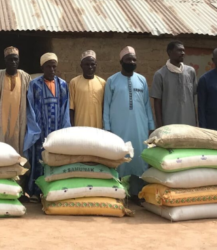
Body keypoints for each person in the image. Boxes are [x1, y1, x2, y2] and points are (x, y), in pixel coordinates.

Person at [103, 46, 155, 188]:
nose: (131, 62)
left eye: (134, 59)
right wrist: (107, 128)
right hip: (118, 128)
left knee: (139, 158)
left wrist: (151, 126)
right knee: (120, 158)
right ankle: (120, 192)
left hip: (140, 127)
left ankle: (137, 192)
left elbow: (146, 105)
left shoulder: (142, 80)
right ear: (121, 61)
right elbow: (106, 106)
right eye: (128, 59)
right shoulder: (112, 81)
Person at [24, 53, 70, 198]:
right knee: (38, 159)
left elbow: (65, 108)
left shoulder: (62, 85)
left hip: (56, 129)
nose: (51, 69)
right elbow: (30, 108)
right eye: (48, 66)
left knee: (55, 159)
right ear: (42, 67)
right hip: (39, 130)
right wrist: (34, 130)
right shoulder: (34, 84)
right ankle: (36, 191)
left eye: (54, 67)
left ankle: (54, 191)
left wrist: (64, 130)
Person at [0, 47, 31, 153]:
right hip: (0, 118)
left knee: (18, 145)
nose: (13, 62)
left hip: (18, 119)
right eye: (10, 59)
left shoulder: (25, 77)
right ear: (5, 61)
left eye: (15, 59)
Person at [150, 41, 197, 128]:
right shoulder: (160, 74)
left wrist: (195, 122)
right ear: (169, 52)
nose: (183, 53)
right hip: (169, 125)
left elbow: (193, 99)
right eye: (179, 50)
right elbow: (157, 103)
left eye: (183, 50)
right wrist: (160, 126)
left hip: (189, 124)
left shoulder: (190, 72)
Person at [69, 50, 106, 128]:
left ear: (96, 65)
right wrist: (71, 126)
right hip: (79, 126)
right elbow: (71, 108)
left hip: (97, 127)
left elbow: (104, 108)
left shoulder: (102, 83)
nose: (90, 67)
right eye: (87, 64)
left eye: (92, 64)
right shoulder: (74, 82)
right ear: (81, 65)